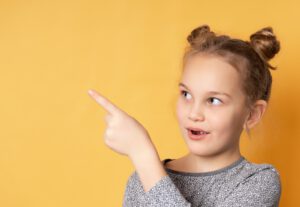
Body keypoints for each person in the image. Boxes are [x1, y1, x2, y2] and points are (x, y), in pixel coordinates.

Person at [88, 24, 281, 206]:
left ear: (252, 114)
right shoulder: (142, 179)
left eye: (213, 100)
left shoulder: (259, 182)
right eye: (186, 94)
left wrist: (143, 154)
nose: (194, 113)